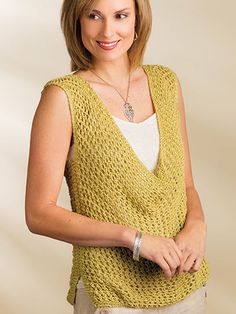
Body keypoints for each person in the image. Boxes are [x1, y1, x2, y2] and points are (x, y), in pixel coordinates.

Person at [25, 0, 211, 313]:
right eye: (93, 15)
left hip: (185, 288)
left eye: (120, 16)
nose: (107, 30)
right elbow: (38, 213)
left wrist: (198, 226)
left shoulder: (165, 84)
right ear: (77, 21)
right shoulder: (63, 98)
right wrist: (134, 239)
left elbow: (186, 185)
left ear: (138, 20)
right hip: (112, 297)